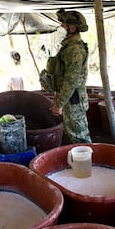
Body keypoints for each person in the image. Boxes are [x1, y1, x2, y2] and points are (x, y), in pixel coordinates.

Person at [44, 9, 91, 143]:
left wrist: (59, 104)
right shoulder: (67, 46)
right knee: (71, 135)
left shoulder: (74, 49)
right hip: (69, 98)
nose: (61, 27)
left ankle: (87, 163)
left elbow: (71, 80)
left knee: (80, 138)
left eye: (64, 25)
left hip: (73, 100)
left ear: (72, 28)